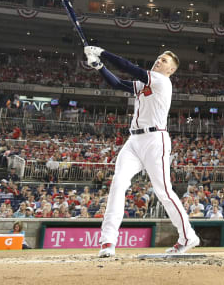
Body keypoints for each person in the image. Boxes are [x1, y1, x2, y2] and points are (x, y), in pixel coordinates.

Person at [84, 46, 199, 257]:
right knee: (118, 184)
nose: (159, 61)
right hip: (134, 140)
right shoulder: (147, 82)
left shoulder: (161, 81)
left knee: (163, 191)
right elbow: (117, 83)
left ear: (170, 70)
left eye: (164, 61)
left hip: (156, 140)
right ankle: (108, 241)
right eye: (158, 58)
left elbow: (129, 68)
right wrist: (100, 67)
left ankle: (188, 236)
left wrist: (102, 53)